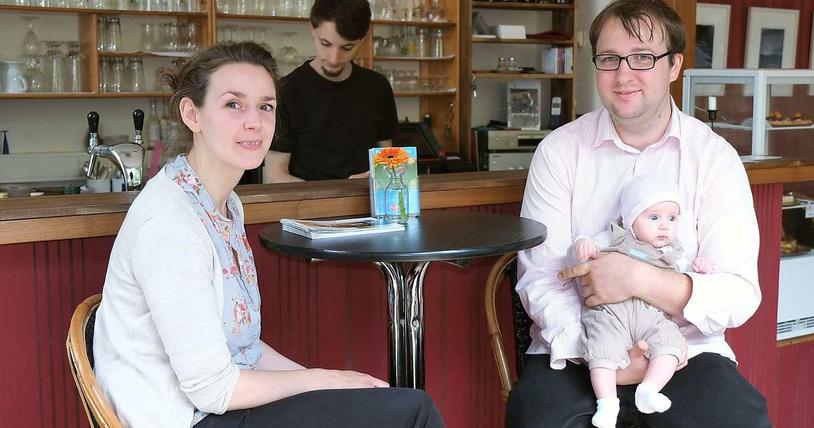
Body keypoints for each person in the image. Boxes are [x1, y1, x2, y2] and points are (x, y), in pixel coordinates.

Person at [93, 42, 444, 428]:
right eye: (233, 105)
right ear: (192, 114)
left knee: (399, 406)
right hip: (186, 418)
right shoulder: (169, 221)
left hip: (221, 408)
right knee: (413, 412)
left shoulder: (224, 205)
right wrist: (320, 379)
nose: (254, 122)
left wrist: (324, 384)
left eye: (266, 106)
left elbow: (244, 349)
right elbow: (213, 390)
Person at [508, 0, 771, 426]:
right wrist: (601, 351)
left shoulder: (715, 159)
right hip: (578, 349)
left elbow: (738, 291)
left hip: (687, 352)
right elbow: (541, 279)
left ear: (674, 66)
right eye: (610, 58)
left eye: (643, 58)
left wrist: (637, 278)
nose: (623, 74)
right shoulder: (559, 153)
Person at [569, 175, 711, 427]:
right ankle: (607, 404)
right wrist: (582, 245)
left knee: (671, 344)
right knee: (602, 349)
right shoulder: (615, 237)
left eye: (672, 218)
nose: (664, 226)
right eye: (654, 218)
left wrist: (698, 269)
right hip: (610, 313)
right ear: (631, 220)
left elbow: (686, 277)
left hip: (653, 314)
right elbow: (580, 257)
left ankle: (649, 389)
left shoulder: (673, 253)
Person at [264, 0, 398, 182]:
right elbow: (274, 175)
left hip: (368, 207)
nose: (334, 59)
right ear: (312, 28)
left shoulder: (378, 87)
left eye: (347, 47)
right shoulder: (287, 90)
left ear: (363, 38)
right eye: (326, 43)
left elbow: (389, 162)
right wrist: (340, 191)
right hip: (308, 207)